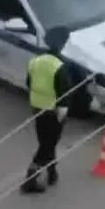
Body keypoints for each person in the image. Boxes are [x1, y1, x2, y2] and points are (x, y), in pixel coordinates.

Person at [21, 26, 73, 194]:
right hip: (53, 111)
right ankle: (30, 178)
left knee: (46, 142)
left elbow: (28, 82)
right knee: (47, 145)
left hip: (37, 107)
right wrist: (62, 114)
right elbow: (65, 92)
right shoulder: (59, 66)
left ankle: (52, 172)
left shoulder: (35, 61)